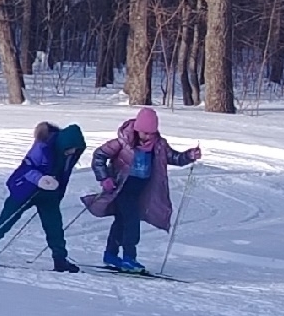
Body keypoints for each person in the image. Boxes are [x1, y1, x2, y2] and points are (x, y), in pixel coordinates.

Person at [85, 107, 201, 274]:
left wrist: (189, 155)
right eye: (144, 133)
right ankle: (129, 258)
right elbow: (99, 156)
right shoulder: (122, 142)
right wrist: (105, 178)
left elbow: (174, 157)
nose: (147, 137)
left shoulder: (159, 145)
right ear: (137, 129)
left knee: (121, 222)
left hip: (140, 190)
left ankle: (111, 255)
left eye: (151, 134)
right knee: (131, 221)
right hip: (121, 189)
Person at [0, 122, 86, 272]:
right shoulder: (42, 147)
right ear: (63, 144)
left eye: (76, 150)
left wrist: (57, 193)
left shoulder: (70, 155)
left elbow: (63, 177)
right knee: (8, 219)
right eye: (70, 149)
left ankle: (60, 259)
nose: (72, 152)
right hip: (26, 189)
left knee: (55, 226)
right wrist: (40, 180)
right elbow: (26, 168)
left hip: (50, 194)